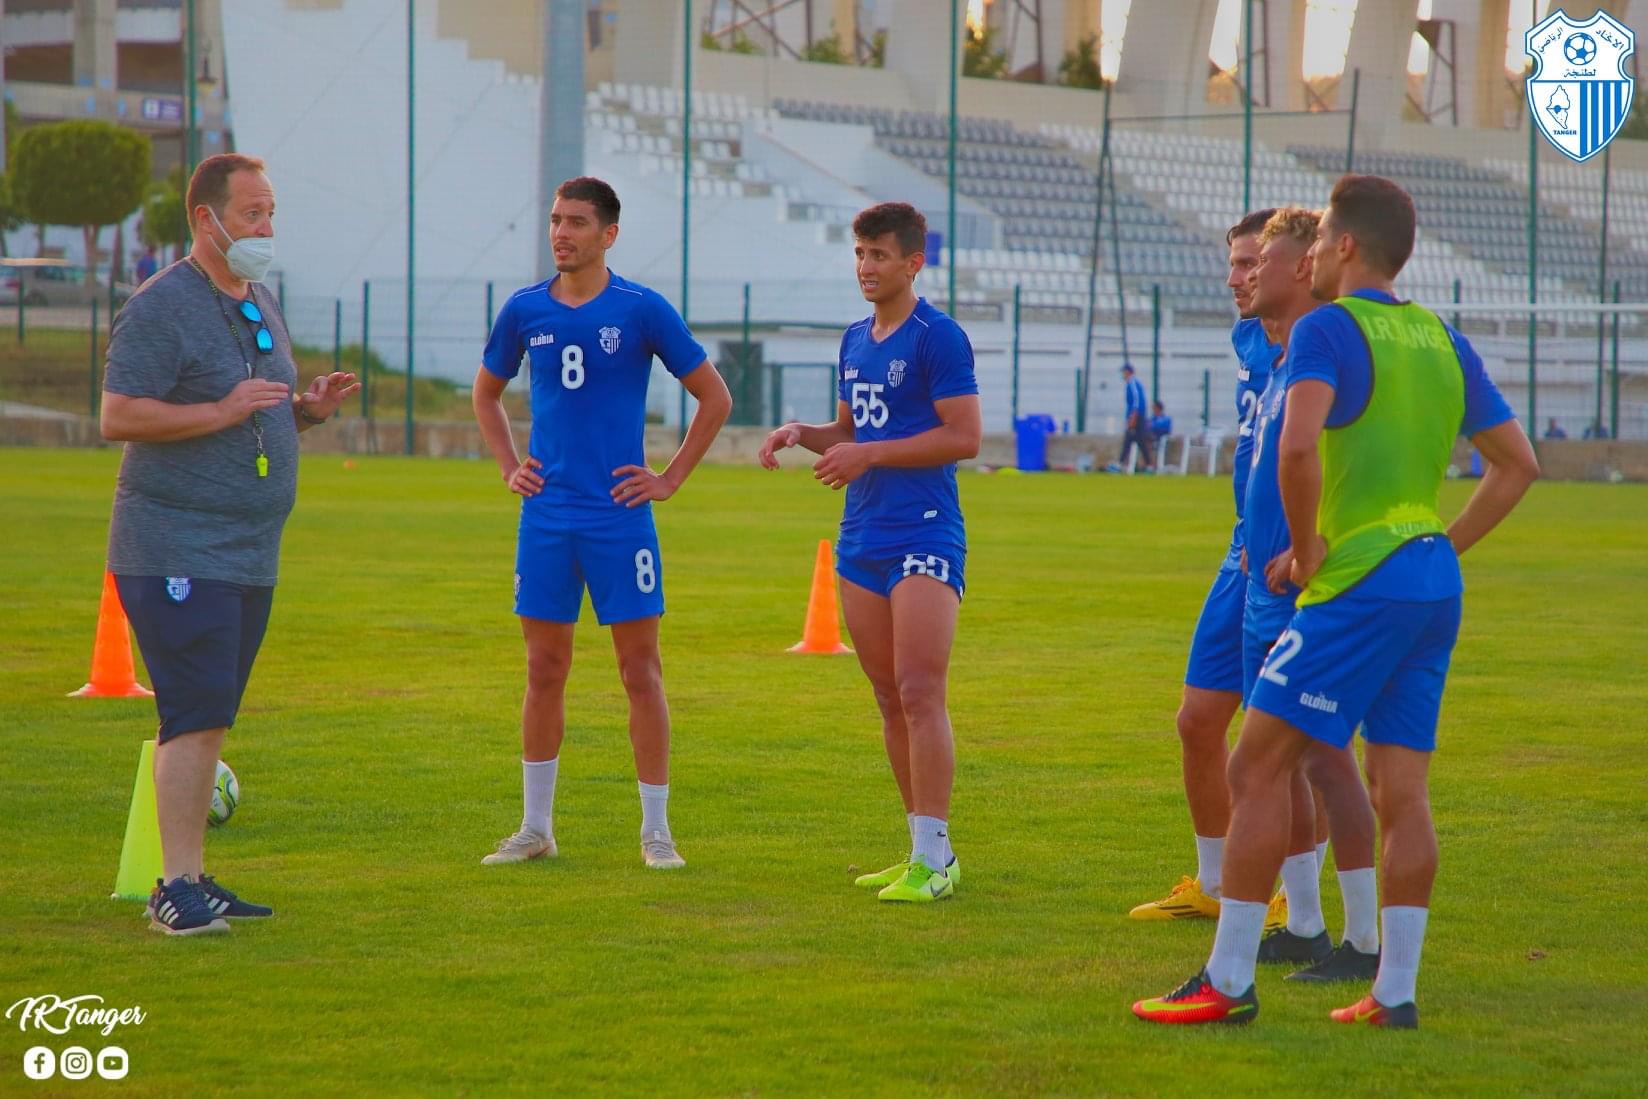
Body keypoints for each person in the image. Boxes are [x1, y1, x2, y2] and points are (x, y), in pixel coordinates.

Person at [1132, 174, 1538, 1029]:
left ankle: (1229, 980)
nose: (1308, 256)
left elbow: (1299, 441)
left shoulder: (1326, 327)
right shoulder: (1440, 336)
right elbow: (1518, 465)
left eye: (1316, 243)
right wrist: (1437, 546)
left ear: (1346, 246)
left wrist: (1310, 544)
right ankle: (1393, 992)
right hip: (1429, 581)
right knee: (1400, 788)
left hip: (1354, 585)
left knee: (1256, 764)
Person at [100, 153, 358, 935]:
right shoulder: (161, 304)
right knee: (192, 709)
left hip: (249, 550)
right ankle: (169, 887)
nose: (267, 228)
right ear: (206, 219)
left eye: (271, 212)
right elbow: (118, 415)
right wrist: (219, 410)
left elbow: (257, 408)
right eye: (252, 214)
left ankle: (196, 876)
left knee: (213, 712)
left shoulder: (258, 299)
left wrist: (304, 412)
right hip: (175, 543)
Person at [473, 176, 731, 872]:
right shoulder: (525, 308)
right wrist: (509, 464)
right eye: (556, 220)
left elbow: (714, 396)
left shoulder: (642, 309)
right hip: (548, 518)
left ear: (608, 234)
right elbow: (487, 391)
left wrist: (670, 477)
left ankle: (656, 830)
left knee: (640, 670)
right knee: (543, 667)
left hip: (620, 518)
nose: (562, 233)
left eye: (578, 222)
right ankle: (535, 827)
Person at [758, 201, 980, 903]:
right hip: (862, 539)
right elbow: (852, 430)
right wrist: (803, 431)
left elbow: (964, 436)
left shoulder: (938, 337)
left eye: (879, 255)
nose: (866, 266)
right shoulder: (855, 339)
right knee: (888, 696)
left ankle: (937, 859)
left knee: (920, 690)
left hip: (923, 531)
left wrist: (866, 452)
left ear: (914, 262)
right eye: (859, 253)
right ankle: (918, 848)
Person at [1234, 206, 1380, 983]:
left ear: (1303, 270)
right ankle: (1308, 924)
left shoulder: (1325, 345)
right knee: (1282, 768)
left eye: (1266, 262)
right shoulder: (1284, 355)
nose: (1248, 274)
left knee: (1326, 762)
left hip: (1302, 587)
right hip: (1264, 586)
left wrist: (1305, 547)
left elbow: (1313, 460)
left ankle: (1361, 939)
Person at [1128, 209, 1277, 922]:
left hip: (1284, 551)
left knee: (1282, 738)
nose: (1235, 277)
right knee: (1197, 720)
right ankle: (1215, 884)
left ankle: (1289, 902)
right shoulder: (1249, 334)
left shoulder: (1317, 339)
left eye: (1250, 262)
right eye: (1233, 263)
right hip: (1239, 546)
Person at [1118, 363, 1154, 471]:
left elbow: (1136, 402)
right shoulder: (1131, 383)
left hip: (1136, 417)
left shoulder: (1132, 383)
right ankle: (1148, 465)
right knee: (1138, 441)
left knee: (1129, 440)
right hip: (1136, 417)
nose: (1122, 375)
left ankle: (1120, 464)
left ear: (1128, 372)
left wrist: (1132, 418)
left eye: (1124, 372)